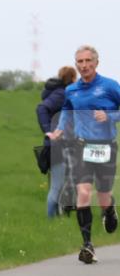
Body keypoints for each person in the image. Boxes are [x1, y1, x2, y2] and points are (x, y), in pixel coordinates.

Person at [49, 45, 120, 263]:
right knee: (83, 192)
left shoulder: (110, 86)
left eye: (88, 61)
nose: (84, 65)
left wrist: (108, 116)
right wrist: (61, 128)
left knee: (104, 195)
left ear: (96, 63)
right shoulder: (72, 90)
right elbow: (68, 110)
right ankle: (87, 245)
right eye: (80, 62)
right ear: (76, 64)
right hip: (81, 146)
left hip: (105, 146)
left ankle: (109, 210)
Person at [37, 66, 78, 217]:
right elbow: (41, 108)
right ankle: (50, 221)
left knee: (65, 182)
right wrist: (48, 131)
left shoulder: (60, 93)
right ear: (72, 78)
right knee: (57, 186)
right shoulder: (61, 94)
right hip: (59, 146)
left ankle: (62, 212)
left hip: (65, 144)